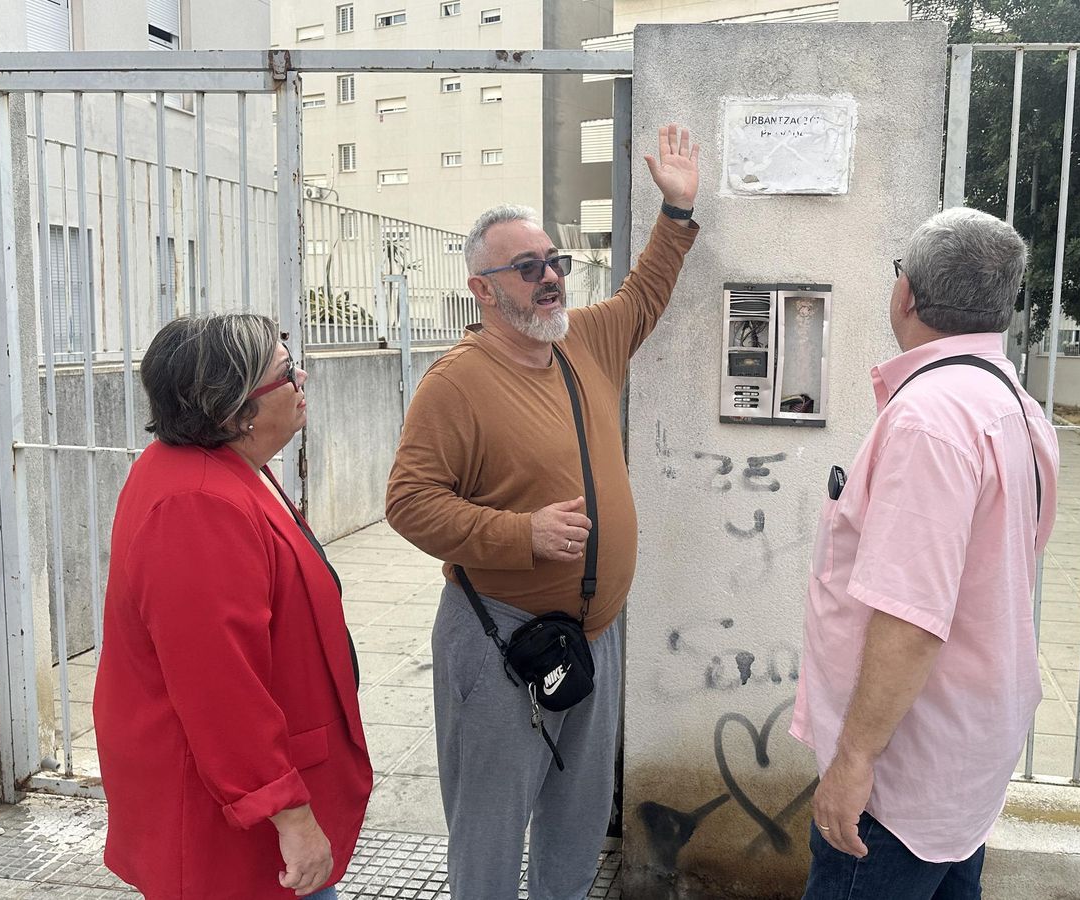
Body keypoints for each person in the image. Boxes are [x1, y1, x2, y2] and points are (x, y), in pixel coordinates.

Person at [384, 124, 700, 898]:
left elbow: (645, 294)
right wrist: (520, 534)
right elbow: (408, 503)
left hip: (595, 632)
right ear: (483, 289)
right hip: (499, 638)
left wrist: (678, 214)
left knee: (580, 816)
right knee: (491, 828)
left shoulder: (584, 340)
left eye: (555, 261)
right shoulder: (453, 383)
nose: (551, 277)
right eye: (528, 268)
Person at [791, 208, 1060, 899]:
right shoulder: (1014, 406)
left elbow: (912, 620)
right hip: (962, 756)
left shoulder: (929, 421)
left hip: (902, 777)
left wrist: (853, 762)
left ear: (905, 293)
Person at [94, 314, 371, 900]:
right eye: (283, 372)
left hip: (239, 801)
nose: (302, 376)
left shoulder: (225, 468)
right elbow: (221, 686)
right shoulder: (197, 503)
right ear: (232, 411)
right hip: (227, 819)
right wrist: (290, 816)